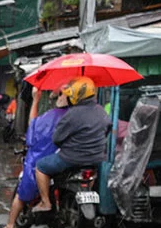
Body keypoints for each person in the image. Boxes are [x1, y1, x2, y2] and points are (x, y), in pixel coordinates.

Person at [0, 86, 68, 228]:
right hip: (69, 161)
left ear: (62, 97)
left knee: (22, 194)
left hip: (40, 160)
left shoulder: (49, 118)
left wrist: (36, 99)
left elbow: (32, 126)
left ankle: (9, 227)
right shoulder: (77, 116)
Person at [34, 76, 110, 214]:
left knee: (41, 166)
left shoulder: (72, 114)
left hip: (71, 158)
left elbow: (57, 139)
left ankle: (45, 202)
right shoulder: (102, 111)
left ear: (76, 95)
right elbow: (107, 130)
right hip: (96, 158)